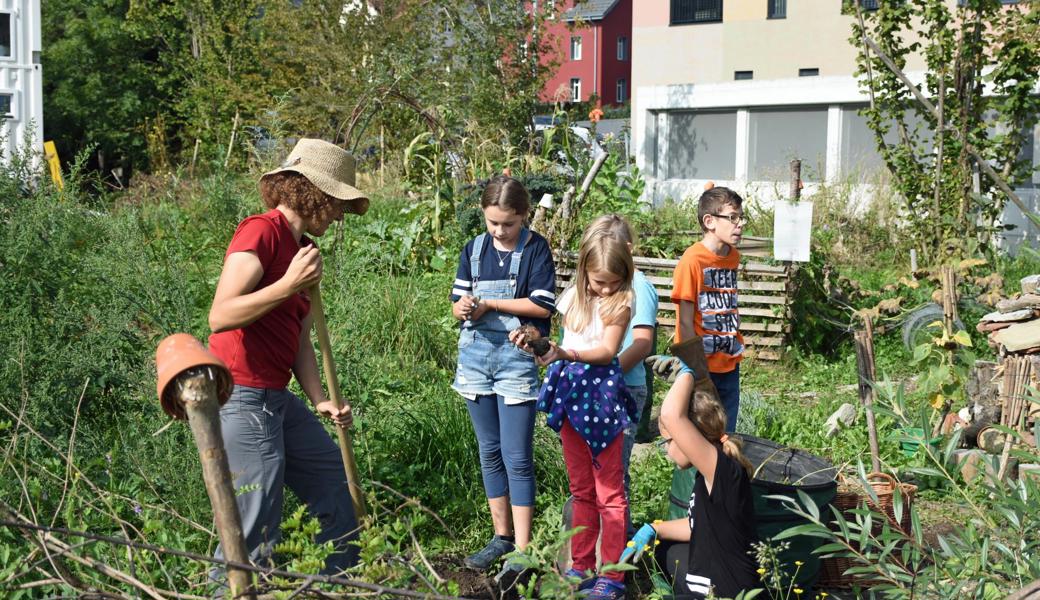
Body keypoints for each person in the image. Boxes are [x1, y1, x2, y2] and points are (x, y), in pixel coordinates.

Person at [207, 138, 367, 578]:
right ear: (313, 192)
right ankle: (231, 589)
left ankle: (337, 581)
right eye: (336, 202)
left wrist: (319, 399)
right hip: (242, 392)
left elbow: (297, 339)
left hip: (276, 396)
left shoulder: (302, 250)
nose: (338, 215)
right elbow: (220, 315)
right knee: (256, 517)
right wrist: (287, 283)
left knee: (333, 481)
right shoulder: (260, 230)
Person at [450, 175, 557, 579]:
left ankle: (524, 550)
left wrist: (489, 302)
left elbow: (542, 305)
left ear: (523, 217)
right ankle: (502, 537)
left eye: (507, 224)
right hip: (475, 360)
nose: (498, 231)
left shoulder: (535, 250)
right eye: (492, 222)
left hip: (516, 359)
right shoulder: (473, 249)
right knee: (489, 451)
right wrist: (462, 308)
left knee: (517, 455)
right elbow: (458, 299)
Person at [521, 233, 637, 600]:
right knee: (582, 490)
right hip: (572, 398)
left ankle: (613, 574)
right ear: (584, 271)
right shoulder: (571, 298)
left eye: (612, 282)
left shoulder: (621, 303)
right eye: (598, 281)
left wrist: (566, 354)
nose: (604, 289)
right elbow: (564, 343)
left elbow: (605, 351)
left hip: (600, 401)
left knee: (611, 494)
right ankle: (582, 565)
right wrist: (544, 349)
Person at [630, 354, 759, 599]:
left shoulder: (723, 471)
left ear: (690, 436)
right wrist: (652, 527)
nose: (667, 449)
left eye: (668, 441)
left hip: (726, 591)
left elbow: (671, 416)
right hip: (711, 579)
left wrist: (685, 374)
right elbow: (696, 526)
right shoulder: (708, 475)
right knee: (667, 550)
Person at [579, 215, 659, 534]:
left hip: (622, 388)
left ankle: (615, 549)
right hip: (588, 391)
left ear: (626, 249)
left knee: (613, 474)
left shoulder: (638, 286)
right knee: (588, 472)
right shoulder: (589, 289)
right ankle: (589, 542)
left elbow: (642, 344)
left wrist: (605, 375)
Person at [671, 185, 747, 431]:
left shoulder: (733, 257)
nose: (740, 223)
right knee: (701, 435)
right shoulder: (692, 260)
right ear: (709, 221)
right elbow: (684, 321)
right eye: (733, 217)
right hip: (701, 369)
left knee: (727, 433)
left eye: (741, 217)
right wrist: (697, 371)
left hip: (729, 362)